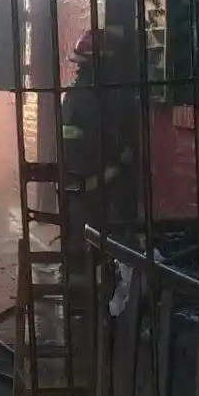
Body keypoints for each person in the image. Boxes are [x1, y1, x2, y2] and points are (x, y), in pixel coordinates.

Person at [59, 29, 136, 280]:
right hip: (90, 184)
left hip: (86, 183)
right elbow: (79, 149)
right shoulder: (89, 99)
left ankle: (85, 281)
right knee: (94, 237)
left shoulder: (79, 96)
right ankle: (89, 284)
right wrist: (114, 167)